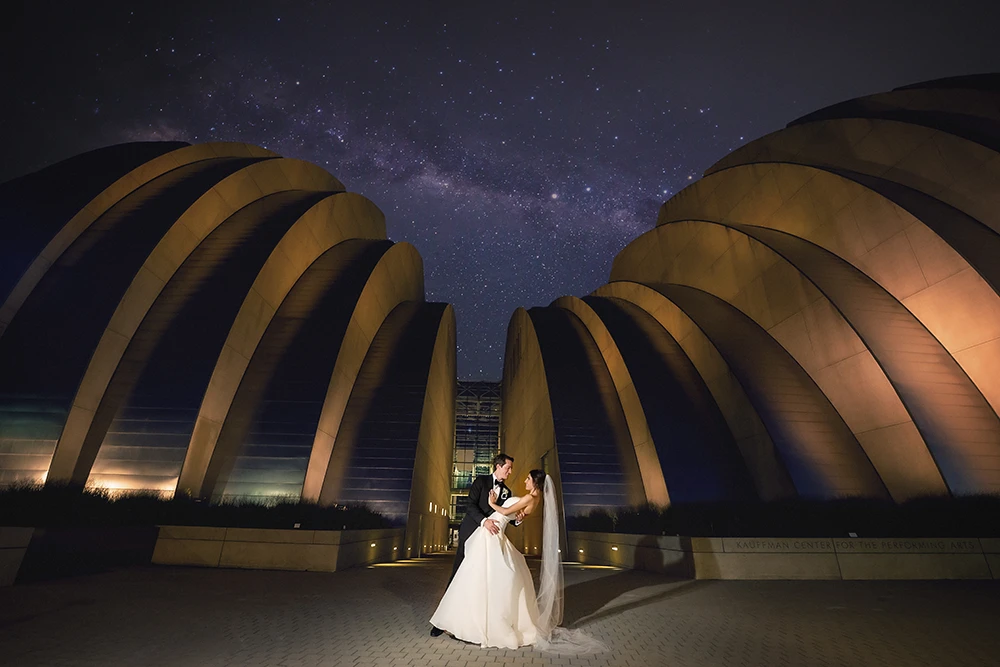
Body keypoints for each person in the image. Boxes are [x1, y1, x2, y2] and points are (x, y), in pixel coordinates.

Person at [429, 468, 552, 649]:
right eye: (508, 468)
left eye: (527, 478)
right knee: (469, 574)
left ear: (535, 482)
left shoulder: (524, 496)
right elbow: (475, 506)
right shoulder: (482, 481)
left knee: (477, 576)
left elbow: (508, 513)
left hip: (492, 533)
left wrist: (492, 503)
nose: (512, 472)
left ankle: (470, 623)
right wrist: (514, 517)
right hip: (482, 529)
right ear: (499, 466)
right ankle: (453, 621)